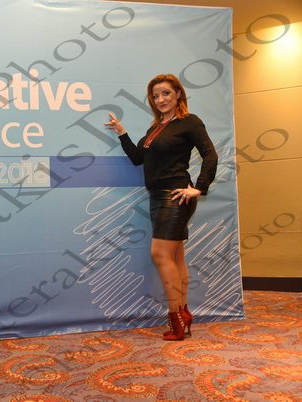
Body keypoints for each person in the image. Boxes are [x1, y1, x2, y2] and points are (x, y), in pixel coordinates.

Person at [105, 74, 217, 341]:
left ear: (178, 93)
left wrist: (199, 187)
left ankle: (175, 317)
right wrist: (122, 133)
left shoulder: (189, 121)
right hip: (157, 196)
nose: (160, 99)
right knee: (175, 258)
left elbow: (210, 154)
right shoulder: (156, 128)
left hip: (175, 196)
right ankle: (184, 312)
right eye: (155, 96)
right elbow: (138, 159)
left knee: (160, 254)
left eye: (166, 93)